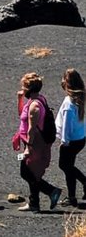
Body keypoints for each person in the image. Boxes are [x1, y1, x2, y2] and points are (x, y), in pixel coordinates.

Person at [13, 72, 62, 212]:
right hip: (31, 142)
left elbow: (31, 129)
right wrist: (20, 99)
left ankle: (52, 191)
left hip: (34, 143)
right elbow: (22, 115)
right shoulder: (37, 99)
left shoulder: (35, 106)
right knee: (33, 172)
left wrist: (28, 148)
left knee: (26, 172)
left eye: (24, 87)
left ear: (29, 88)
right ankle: (34, 203)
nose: (22, 89)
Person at [55, 69, 86, 207]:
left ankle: (77, 191)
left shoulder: (68, 102)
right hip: (80, 138)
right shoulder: (82, 98)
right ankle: (73, 194)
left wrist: (64, 141)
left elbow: (67, 124)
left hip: (71, 140)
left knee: (65, 166)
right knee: (68, 167)